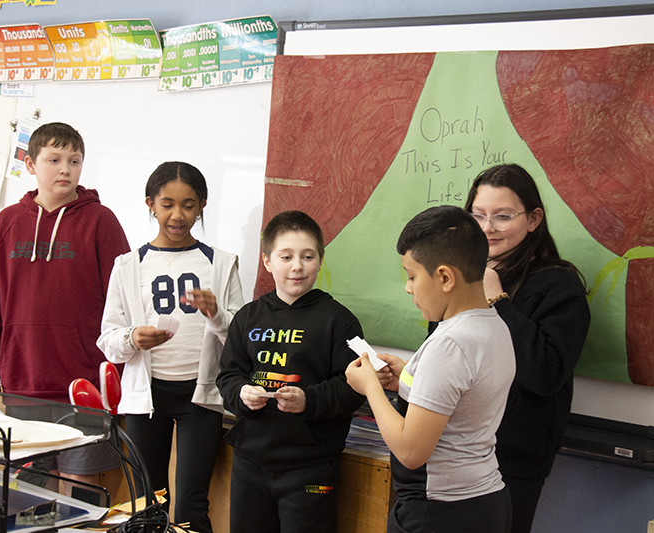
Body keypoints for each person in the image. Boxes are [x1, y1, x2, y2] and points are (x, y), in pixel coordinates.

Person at [0, 122, 131, 488]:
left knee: (80, 493)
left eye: (75, 161)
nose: (65, 169)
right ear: (30, 164)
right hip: (19, 384)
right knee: (27, 496)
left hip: (85, 388)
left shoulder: (100, 222)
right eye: (54, 159)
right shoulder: (6, 223)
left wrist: (113, 379)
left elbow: (123, 304)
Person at [346, 205, 516, 533]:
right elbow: (464, 390)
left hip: (439, 512)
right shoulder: (495, 325)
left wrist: (371, 387)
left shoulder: (449, 343)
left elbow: (411, 451)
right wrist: (409, 375)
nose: (408, 287)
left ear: (444, 277)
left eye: (411, 276)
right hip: (486, 501)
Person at [97, 161, 243, 533]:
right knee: (148, 501)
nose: (178, 215)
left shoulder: (221, 264)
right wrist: (133, 338)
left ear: (202, 206)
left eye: (189, 205)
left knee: (192, 503)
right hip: (147, 397)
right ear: (150, 204)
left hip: (201, 396)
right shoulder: (128, 265)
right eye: (167, 204)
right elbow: (108, 340)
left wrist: (215, 314)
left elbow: (241, 339)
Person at [216, 210, 365, 533]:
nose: (297, 266)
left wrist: (308, 401)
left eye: (307, 256)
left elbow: (354, 386)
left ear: (320, 260)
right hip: (250, 463)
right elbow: (228, 375)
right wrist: (241, 394)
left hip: (312, 469)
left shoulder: (340, 322)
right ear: (268, 261)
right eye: (286, 256)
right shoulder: (247, 317)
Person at [464, 163, 591, 533]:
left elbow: (545, 372)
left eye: (502, 217)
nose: (487, 228)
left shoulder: (559, 286)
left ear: (533, 219)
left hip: (513, 460)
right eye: (478, 215)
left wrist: (498, 301)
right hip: (453, 449)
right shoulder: (462, 277)